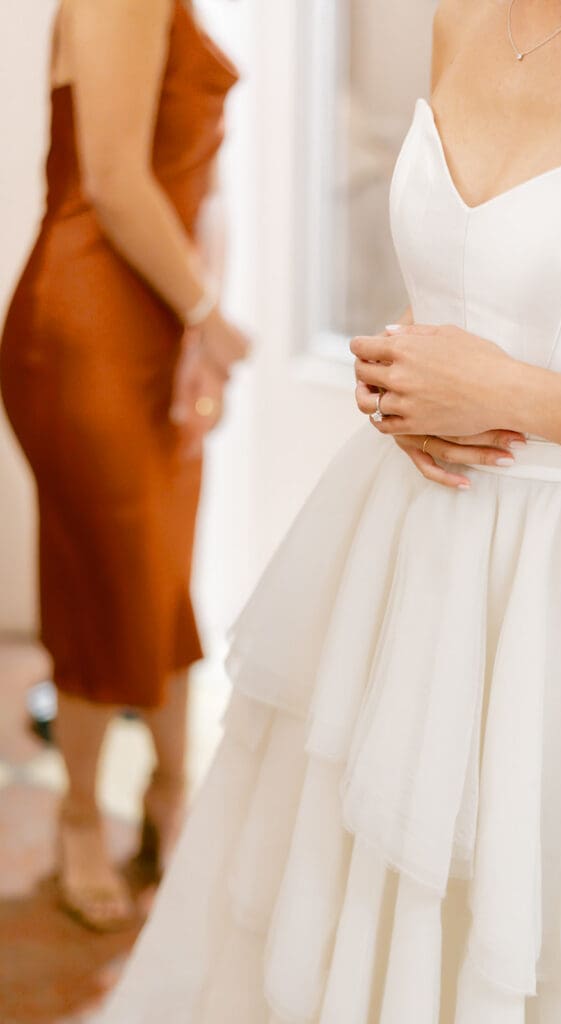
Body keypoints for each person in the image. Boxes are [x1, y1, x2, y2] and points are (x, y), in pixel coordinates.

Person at [99, 0, 561, 1020]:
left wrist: (516, 396)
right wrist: (398, 373)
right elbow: (468, 284)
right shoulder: (463, 19)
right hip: (400, 563)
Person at [0, 0, 248, 932]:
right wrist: (209, 319)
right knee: (103, 587)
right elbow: (111, 181)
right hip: (88, 327)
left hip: (161, 325)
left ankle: (170, 798)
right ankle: (78, 819)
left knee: (164, 575)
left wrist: (195, 332)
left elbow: (205, 188)